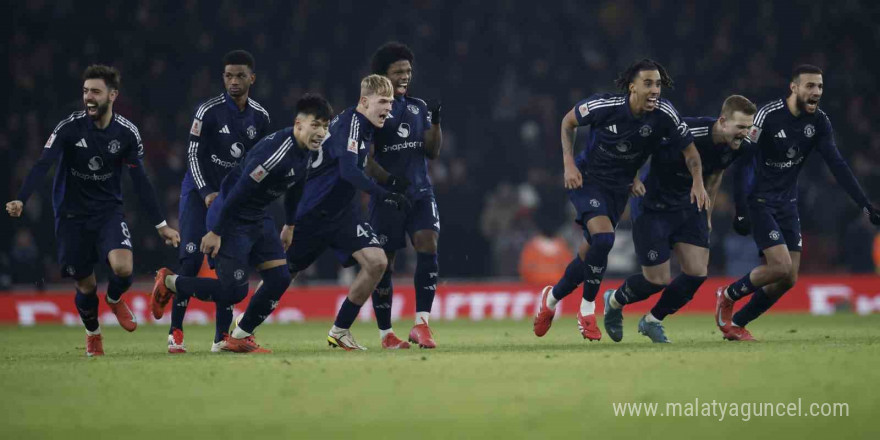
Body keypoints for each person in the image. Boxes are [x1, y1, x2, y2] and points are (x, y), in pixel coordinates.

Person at [5, 65, 180, 357]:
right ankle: (93, 333)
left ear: (112, 95)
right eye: (86, 91)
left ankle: (114, 298)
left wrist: (161, 224)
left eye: (95, 91)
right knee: (85, 285)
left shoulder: (126, 133)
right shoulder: (69, 128)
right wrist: (22, 198)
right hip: (71, 215)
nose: (88, 96)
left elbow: (141, 181)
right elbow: (42, 163)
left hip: (108, 211)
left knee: (124, 268)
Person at [532, 58, 709, 341]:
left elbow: (689, 152)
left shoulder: (665, 113)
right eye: (648, 83)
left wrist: (698, 183)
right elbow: (568, 121)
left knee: (589, 253)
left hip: (619, 189)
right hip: (587, 180)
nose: (655, 90)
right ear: (632, 87)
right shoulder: (606, 106)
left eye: (658, 84)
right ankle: (587, 311)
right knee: (603, 239)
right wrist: (568, 163)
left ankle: (550, 299)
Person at [151, 94, 331, 353]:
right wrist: (215, 231)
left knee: (280, 277)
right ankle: (169, 281)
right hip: (231, 216)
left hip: (257, 216)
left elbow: (296, 188)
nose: (321, 132)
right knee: (233, 291)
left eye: (325, 126)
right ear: (298, 124)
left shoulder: (307, 152)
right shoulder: (275, 154)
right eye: (316, 125)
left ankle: (239, 334)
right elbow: (238, 192)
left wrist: (290, 224)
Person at [716, 65, 880, 341]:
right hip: (760, 201)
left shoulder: (819, 122)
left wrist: (864, 204)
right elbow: (742, 163)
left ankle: (738, 323)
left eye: (820, 87)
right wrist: (741, 208)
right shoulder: (768, 116)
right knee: (779, 266)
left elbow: (837, 164)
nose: (816, 92)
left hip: (787, 203)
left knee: (788, 279)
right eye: (810, 86)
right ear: (794, 88)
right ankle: (728, 294)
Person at [603, 95, 757, 343]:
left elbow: (716, 175)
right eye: (741, 127)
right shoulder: (685, 131)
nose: (745, 133)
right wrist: (633, 177)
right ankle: (613, 300)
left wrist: (706, 216)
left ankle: (653, 320)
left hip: (688, 206)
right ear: (723, 121)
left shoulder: (736, 146)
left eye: (749, 127)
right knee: (657, 280)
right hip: (652, 206)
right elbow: (642, 143)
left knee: (696, 273)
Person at [274, 74, 409, 351]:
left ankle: (340, 329)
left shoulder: (363, 126)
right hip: (315, 210)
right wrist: (384, 195)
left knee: (376, 262)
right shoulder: (351, 124)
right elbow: (348, 171)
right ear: (364, 101)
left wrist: (388, 181)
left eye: (391, 102)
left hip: (343, 212)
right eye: (383, 101)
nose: (389, 108)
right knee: (283, 275)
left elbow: (361, 162)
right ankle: (241, 328)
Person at [164, 50, 271, 354]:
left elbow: (258, 163)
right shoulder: (207, 111)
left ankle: (221, 337)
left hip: (231, 196)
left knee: (228, 263)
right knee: (190, 258)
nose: (233, 81)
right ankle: (176, 331)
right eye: (228, 76)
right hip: (200, 191)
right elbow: (193, 156)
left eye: (239, 76)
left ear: (252, 78)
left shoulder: (260, 117)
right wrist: (206, 192)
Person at [364, 42, 443, 349]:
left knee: (428, 242)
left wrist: (435, 122)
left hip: (420, 192)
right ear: (383, 75)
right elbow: (365, 158)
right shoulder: (373, 109)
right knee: (385, 262)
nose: (405, 76)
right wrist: (388, 180)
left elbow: (432, 151)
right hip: (387, 196)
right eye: (398, 71)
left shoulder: (418, 107)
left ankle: (422, 323)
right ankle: (386, 334)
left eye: (408, 71)